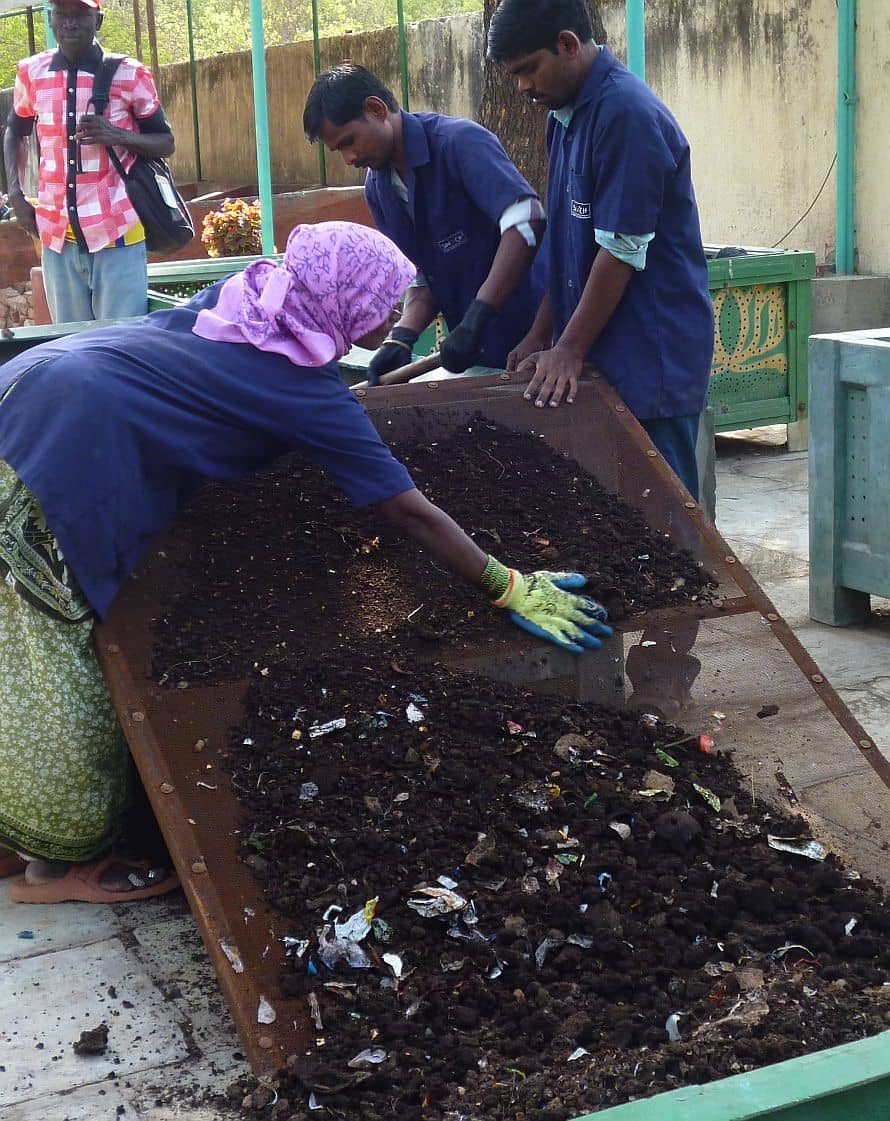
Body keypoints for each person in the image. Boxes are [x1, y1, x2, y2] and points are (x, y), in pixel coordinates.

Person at [0, 220, 611, 904]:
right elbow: (405, 509)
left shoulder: (253, 297)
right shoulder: (300, 386)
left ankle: (15, 831)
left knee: (9, 645)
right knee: (57, 663)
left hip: (30, 385)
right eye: (384, 301)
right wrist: (505, 584)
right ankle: (54, 866)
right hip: (55, 454)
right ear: (343, 302)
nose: (393, 312)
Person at [487, 0, 715, 501]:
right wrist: (540, 335)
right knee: (613, 516)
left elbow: (620, 251)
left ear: (567, 44)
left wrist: (568, 348)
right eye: (514, 75)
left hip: (649, 356)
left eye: (528, 69)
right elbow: (570, 249)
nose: (522, 87)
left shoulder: (627, 113)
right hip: (598, 352)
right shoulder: (563, 116)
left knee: (668, 519)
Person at [303, 63, 546, 383]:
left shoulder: (459, 143)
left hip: (537, 339)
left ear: (376, 109)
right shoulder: (379, 190)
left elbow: (527, 221)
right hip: (479, 357)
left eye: (349, 141)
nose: (348, 159)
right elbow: (421, 276)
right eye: (338, 151)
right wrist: (401, 338)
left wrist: (478, 316)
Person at [3, 0, 175, 324]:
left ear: (98, 19)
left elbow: (165, 142)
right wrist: (16, 192)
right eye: (61, 14)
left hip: (118, 232)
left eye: (79, 14)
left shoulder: (130, 73)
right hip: (56, 236)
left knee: (118, 348)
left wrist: (117, 135)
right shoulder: (32, 72)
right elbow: (16, 130)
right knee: (71, 348)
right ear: (51, 20)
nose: (69, 23)